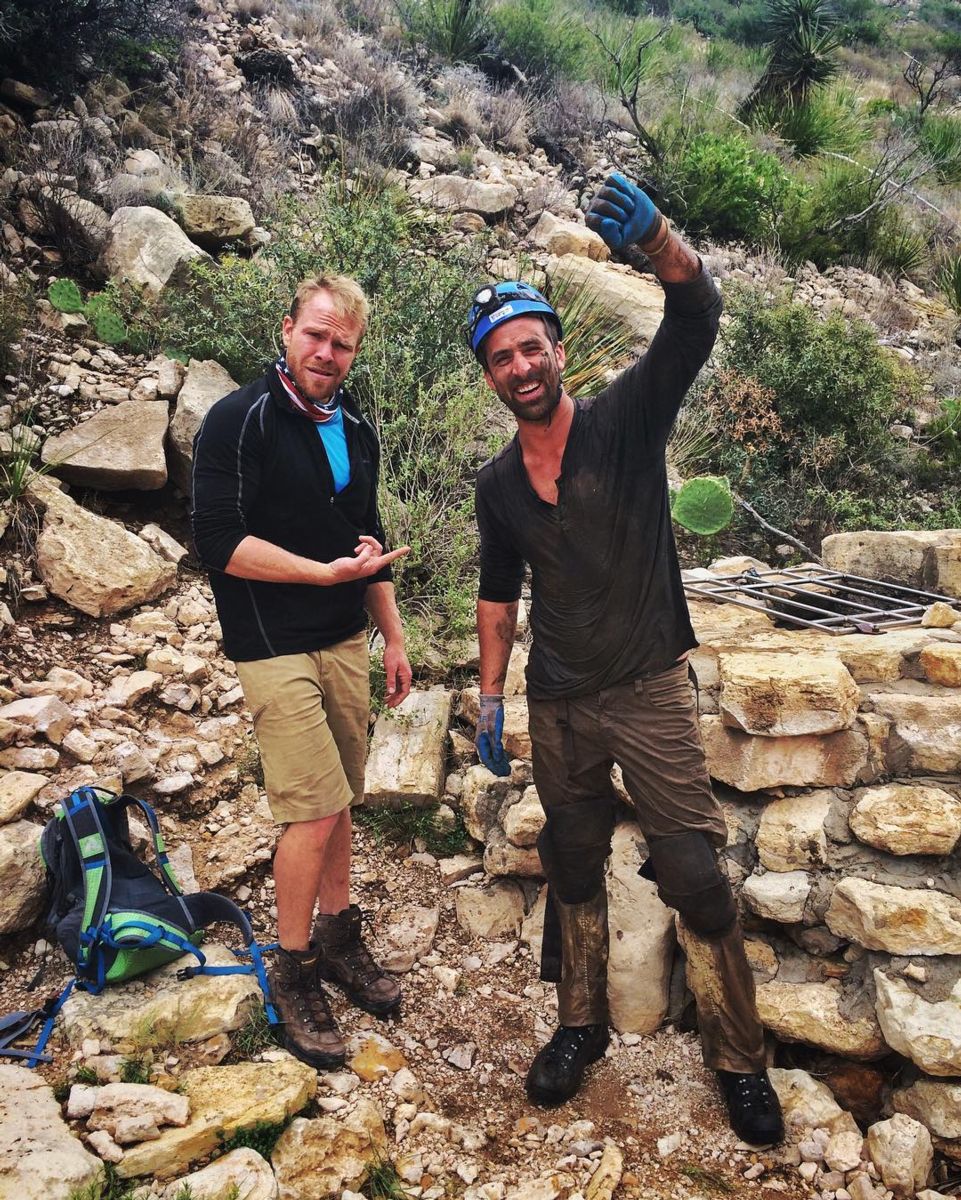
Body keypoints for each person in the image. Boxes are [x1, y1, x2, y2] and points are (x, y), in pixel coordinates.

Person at [467, 175, 783, 1145]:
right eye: (500, 357)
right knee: (571, 863)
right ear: (489, 377)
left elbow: (696, 317)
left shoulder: (625, 420)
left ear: (557, 350)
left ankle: (738, 1060)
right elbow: (494, 594)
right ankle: (579, 1026)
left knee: (691, 870)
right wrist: (488, 702)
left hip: (648, 688)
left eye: (530, 346)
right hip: (559, 700)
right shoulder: (496, 484)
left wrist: (660, 244)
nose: (520, 365)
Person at [191, 272, 412, 1069]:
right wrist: (319, 574)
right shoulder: (237, 420)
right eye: (314, 334)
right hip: (269, 640)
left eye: (341, 342)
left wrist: (391, 637)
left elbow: (369, 539)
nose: (326, 351)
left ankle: (339, 931)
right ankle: (293, 967)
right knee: (311, 809)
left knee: (340, 798)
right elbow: (219, 541)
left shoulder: (354, 428)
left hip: (343, 639)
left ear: (354, 351)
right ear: (287, 330)